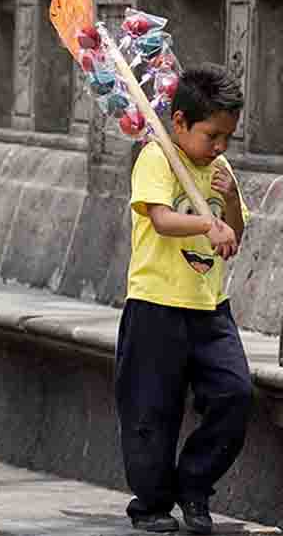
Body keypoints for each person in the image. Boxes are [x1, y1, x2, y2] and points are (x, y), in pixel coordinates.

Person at [115, 62, 254, 534]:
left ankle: (195, 486)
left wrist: (229, 199)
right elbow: (161, 219)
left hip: (210, 306)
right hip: (156, 303)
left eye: (226, 138)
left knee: (235, 393)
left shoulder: (218, 168)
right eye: (212, 135)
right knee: (151, 410)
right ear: (179, 123)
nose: (219, 147)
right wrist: (205, 225)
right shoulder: (157, 157)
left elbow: (234, 229)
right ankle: (151, 504)